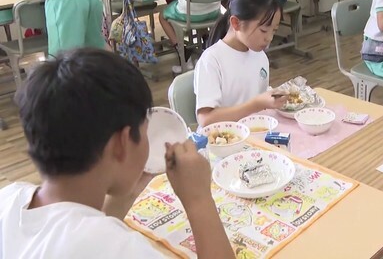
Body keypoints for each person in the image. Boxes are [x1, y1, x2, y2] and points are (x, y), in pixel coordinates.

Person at [0, 48, 234, 258]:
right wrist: (198, 199)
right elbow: (95, 242)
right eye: (145, 129)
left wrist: (128, 189)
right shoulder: (121, 248)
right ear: (121, 143)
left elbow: (79, 226)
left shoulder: (8, 199)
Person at [194, 0, 287, 127]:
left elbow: (252, 96)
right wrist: (256, 104)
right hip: (222, 141)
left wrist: (271, 98)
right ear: (236, 23)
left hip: (253, 133)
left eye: (274, 30)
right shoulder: (212, 60)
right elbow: (206, 119)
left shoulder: (260, 56)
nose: (269, 38)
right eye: (263, 30)